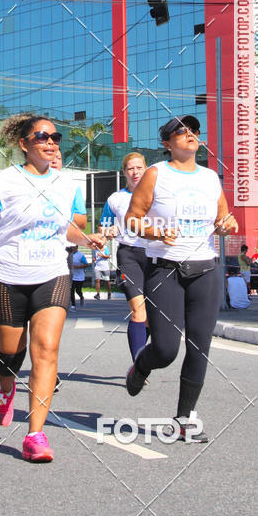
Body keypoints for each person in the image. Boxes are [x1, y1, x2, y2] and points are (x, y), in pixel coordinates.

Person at [0, 113, 104, 463]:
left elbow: (69, 229)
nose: (50, 142)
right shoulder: (5, 181)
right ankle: (5, 387)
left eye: (55, 137)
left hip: (51, 273)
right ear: (24, 144)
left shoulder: (67, 185)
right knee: (10, 354)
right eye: (42, 137)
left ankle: (34, 435)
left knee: (46, 349)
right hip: (5, 276)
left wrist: (87, 238)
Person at [124, 114, 239, 443]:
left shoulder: (210, 177)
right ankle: (141, 365)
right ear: (167, 143)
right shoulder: (156, 174)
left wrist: (227, 225)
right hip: (165, 270)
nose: (190, 134)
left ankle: (184, 420)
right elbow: (132, 219)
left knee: (199, 347)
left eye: (194, 130)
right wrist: (155, 231)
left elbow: (223, 217)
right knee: (165, 350)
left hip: (205, 270)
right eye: (181, 131)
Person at [95, 153, 148, 362]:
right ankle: (138, 366)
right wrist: (108, 231)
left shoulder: (159, 194)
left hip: (156, 256)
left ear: (146, 169)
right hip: (129, 255)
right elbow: (103, 227)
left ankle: (143, 356)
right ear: (124, 172)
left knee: (151, 316)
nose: (135, 172)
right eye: (130, 169)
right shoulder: (115, 199)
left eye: (139, 168)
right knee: (138, 310)